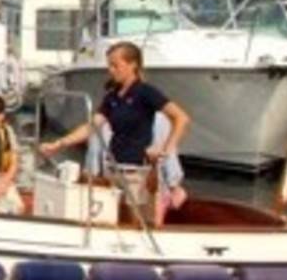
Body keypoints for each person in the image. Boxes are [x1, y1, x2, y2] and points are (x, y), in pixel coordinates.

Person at [40, 41, 191, 223]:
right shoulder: (112, 97)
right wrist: (59, 144)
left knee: (137, 221)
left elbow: (181, 118)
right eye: (109, 65)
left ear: (132, 65)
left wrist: (166, 150)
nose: (111, 70)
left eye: (115, 65)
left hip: (136, 171)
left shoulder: (145, 93)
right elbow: (91, 126)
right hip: (113, 168)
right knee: (112, 219)